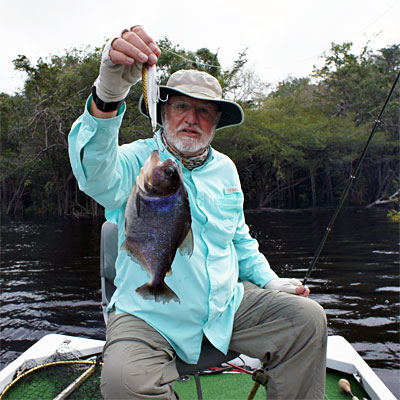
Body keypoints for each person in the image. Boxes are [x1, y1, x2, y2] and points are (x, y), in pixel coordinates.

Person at [68, 25, 327, 400]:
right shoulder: (140, 159)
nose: (192, 117)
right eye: (181, 106)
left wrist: (269, 281)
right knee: (124, 382)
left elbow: (238, 239)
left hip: (226, 308)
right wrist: (107, 98)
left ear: (216, 122)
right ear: (163, 109)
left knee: (308, 319)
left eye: (204, 110)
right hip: (148, 315)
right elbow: (96, 176)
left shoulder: (226, 169)